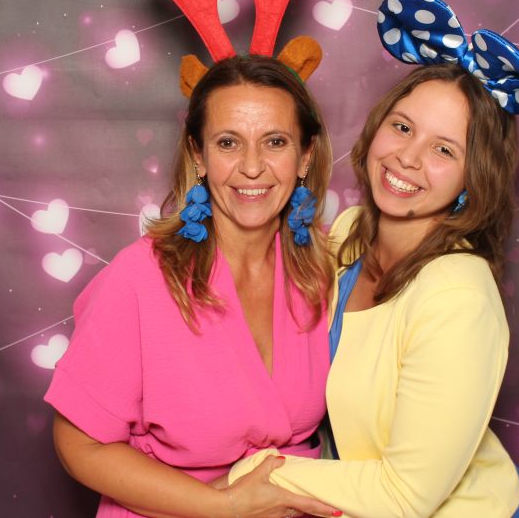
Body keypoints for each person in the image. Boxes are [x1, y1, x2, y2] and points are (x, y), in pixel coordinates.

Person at [228, 0, 519, 517]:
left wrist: (250, 474)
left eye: (443, 149)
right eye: (402, 127)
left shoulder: (458, 299)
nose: (407, 157)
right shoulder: (350, 234)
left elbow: (405, 497)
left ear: (474, 176)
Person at [45, 55, 340, 518]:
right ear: (198, 155)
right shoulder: (140, 277)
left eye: (275, 142)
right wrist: (223, 508)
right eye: (228, 143)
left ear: (305, 156)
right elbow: (78, 444)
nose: (252, 167)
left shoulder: (325, 267)